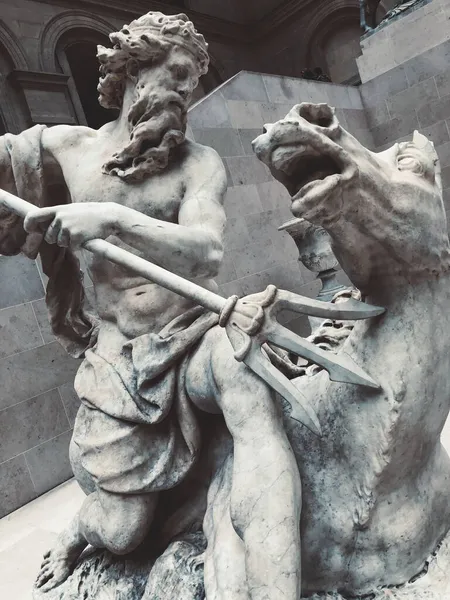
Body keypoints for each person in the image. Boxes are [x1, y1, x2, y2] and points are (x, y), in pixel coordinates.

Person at [0, 12, 302, 599]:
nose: (186, 94)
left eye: (193, 83)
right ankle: (77, 533)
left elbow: (207, 251)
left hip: (191, 337)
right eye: (179, 75)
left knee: (243, 374)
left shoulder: (199, 163)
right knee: (122, 529)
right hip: (118, 365)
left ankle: (272, 577)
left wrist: (111, 218)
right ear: (136, 72)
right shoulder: (68, 149)